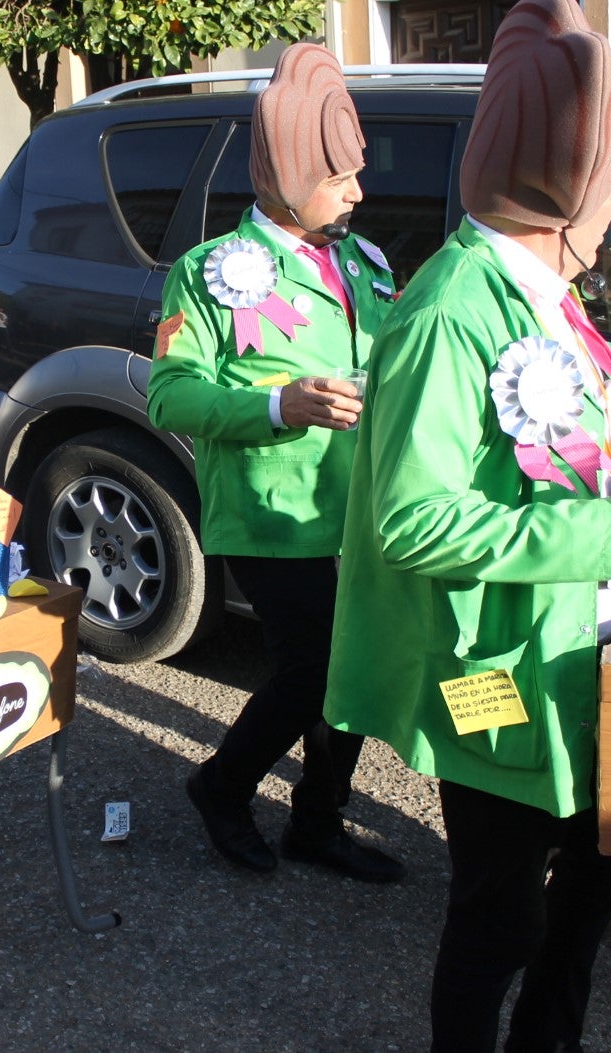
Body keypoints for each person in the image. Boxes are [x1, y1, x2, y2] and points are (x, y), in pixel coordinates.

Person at [320, 2, 611, 1049]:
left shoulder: (547, 293)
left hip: (596, 659)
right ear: (562, 189)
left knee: (591, 890)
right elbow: (410, 520)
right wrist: (609, 531)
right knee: (497, 919)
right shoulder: (451, 310)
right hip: (504, 673)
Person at [147, 41, 404, 883]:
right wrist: (275, 404)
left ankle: (316, 821)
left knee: (354, 665)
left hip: (356, 507)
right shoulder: (208, 274)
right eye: (339, 179)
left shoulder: (362, 262)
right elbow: (170, 397)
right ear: (289, 179)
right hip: (268, 512)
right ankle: (221, 786)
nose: (358, 194)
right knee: (313, 666)